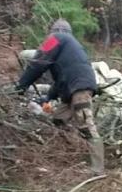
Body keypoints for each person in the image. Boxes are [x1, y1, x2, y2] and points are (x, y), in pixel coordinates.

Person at [15, 19, 105, 174]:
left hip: (79, 88)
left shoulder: (55, 39)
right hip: (73, 87)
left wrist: (20, 86)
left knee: (87, 125)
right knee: (58, 119)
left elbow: (38, 63)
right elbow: (61, 78)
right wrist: (47, 98)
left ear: (55, 30)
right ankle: (68, 153)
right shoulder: (71, 46)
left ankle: (97, 170)